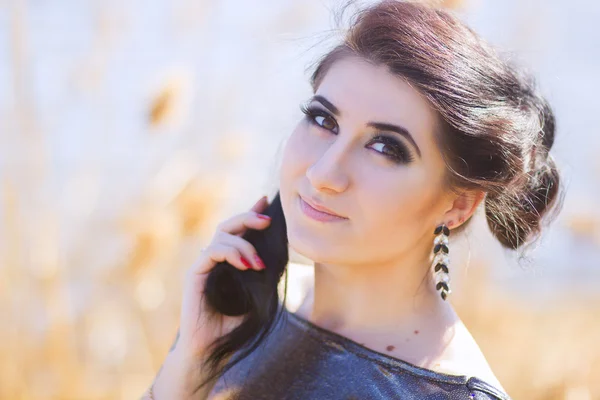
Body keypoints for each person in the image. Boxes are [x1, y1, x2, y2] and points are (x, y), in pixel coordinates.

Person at [141, 1, 564, 398]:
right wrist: (192, 364)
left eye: (385, 148)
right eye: (323, 120)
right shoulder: (245, 307)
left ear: (458, 206)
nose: (323, 173)